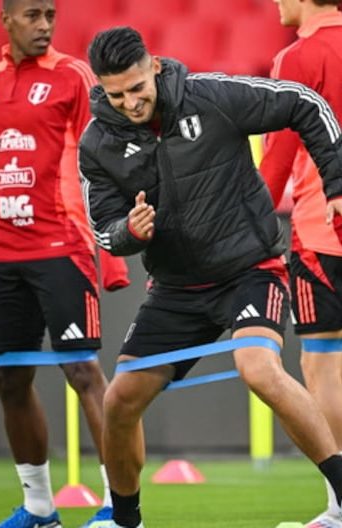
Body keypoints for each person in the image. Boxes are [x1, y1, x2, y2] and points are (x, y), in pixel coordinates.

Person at [79, 26, 342, 528]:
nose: (130, 103)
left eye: (137, 88)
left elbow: (304, 103)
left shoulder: (213, 96)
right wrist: (129, 232)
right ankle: (123, 519)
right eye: (117, 94)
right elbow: (104, 231)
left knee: (258, 368)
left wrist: (337, 182)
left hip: (250, 269)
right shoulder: (97, 143)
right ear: (103, 89)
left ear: (153, 66)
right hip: (176, 291)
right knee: (119, 401)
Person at [0, 1, 131, 526]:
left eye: (51, 16)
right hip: (1, 254)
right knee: (8, 379)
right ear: (6, 18)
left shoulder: (73, 78)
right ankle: (40, 509)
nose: (44, 26)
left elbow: (102, 164)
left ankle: (117, 507)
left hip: (63, 246)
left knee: (82, 370)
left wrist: (113, 256)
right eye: (32, 15)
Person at [259, 2, 342, 526]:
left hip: (323, 232)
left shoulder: (299, 57)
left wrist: (242, 231)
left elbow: (278, 159)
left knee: (323, 364)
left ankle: (341, 506)